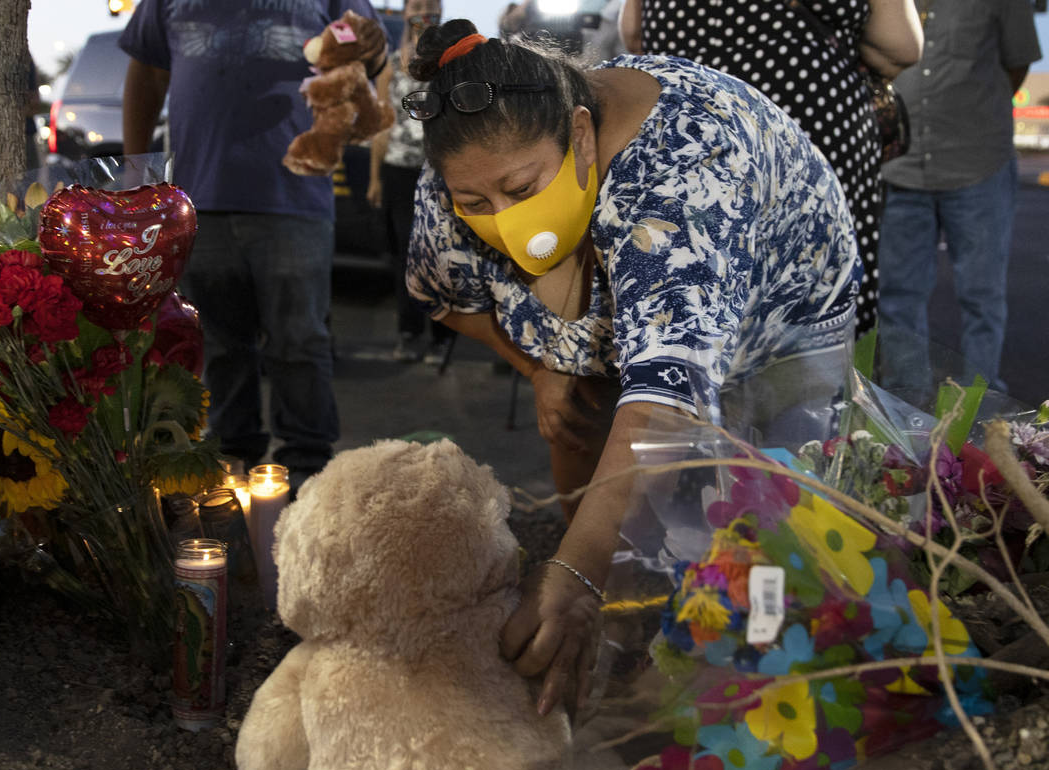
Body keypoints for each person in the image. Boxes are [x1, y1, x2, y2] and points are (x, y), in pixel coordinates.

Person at [403, 20, 862, 714]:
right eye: (477, 204)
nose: (502, 218)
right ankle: (629, 648)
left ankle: (765, 708)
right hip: (647, 316)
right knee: (611, 480)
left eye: (522, 188)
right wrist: (538, 368)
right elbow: (443, 295)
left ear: (582, 134)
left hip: (783, 327)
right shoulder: (465, 165)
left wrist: (580, 573)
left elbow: (665, 400)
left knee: (770, 542)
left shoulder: (682, 171)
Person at [119, 0, 387, 489]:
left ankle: (308, 472)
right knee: (220, 344)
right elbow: (148, 75)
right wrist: (137, 173)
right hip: (200, 197)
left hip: (295, 194)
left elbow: (365, 50)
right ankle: (231, 467)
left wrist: (373, 48)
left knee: (300, 342)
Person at [618, 0, 924, 337]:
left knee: (689, 295)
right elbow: (903, 47)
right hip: (812, 127)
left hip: (689, 130)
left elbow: (634, 34)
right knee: (815, 310)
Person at [877, 0, 1041, 401]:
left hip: (978, 161)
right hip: (901, 165)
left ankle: (978, 408)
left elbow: (1016, 65)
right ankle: (905, 407)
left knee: (982, 297)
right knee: (897, 295)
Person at [367, 0, 454, 363]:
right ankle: (409, 332)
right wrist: (374, 177)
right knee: (405, 254)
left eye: (431, 5)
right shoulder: (390, 63)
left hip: (441, 172)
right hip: (399, 171)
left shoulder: (452, 62)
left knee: (439, 253)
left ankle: (441, 335)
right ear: (404, 13)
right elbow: (381, 123)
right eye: (417, 5)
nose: (424, 12)